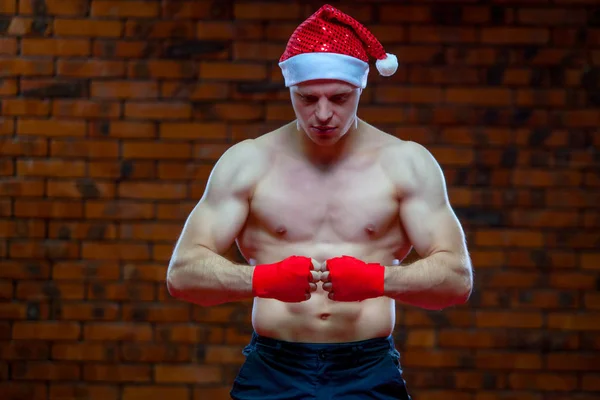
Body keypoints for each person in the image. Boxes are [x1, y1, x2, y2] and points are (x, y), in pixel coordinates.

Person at [166, 4, 473, 400]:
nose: (323, 114)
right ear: (290, 89)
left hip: (367, 366)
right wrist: (262, 280)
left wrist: (377, 280)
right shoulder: (248, 162)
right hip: (274, 366)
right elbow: (183, 274)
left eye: (339, 97)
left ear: (361, 88)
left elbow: (457, 280)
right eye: (307, 98)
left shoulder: (405, 163)